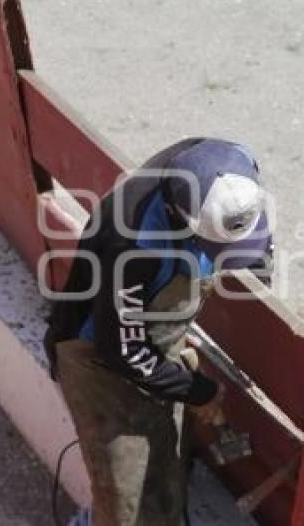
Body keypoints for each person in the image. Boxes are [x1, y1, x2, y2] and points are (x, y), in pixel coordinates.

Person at [43, 138, 272, 525]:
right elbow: (122, 352)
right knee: (127, 501)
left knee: (169, 463)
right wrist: (198, 390)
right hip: (99, 364)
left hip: (148, 339)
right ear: (182, 218)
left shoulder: (230, 163)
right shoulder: (132, 246)